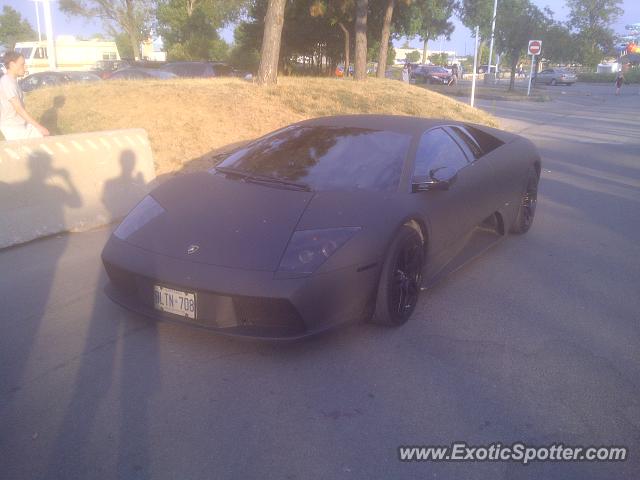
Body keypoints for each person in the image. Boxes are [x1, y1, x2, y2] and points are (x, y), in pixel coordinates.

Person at [0, 51, 50, 140]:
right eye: (22, 64)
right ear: (12, 65)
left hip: (21, 125)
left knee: (44, 138)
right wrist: (38, 126)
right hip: (13, 128)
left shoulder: (12, 81)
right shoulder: (7, 82)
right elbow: (18, 108)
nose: (25, 67)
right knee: (43, 139)